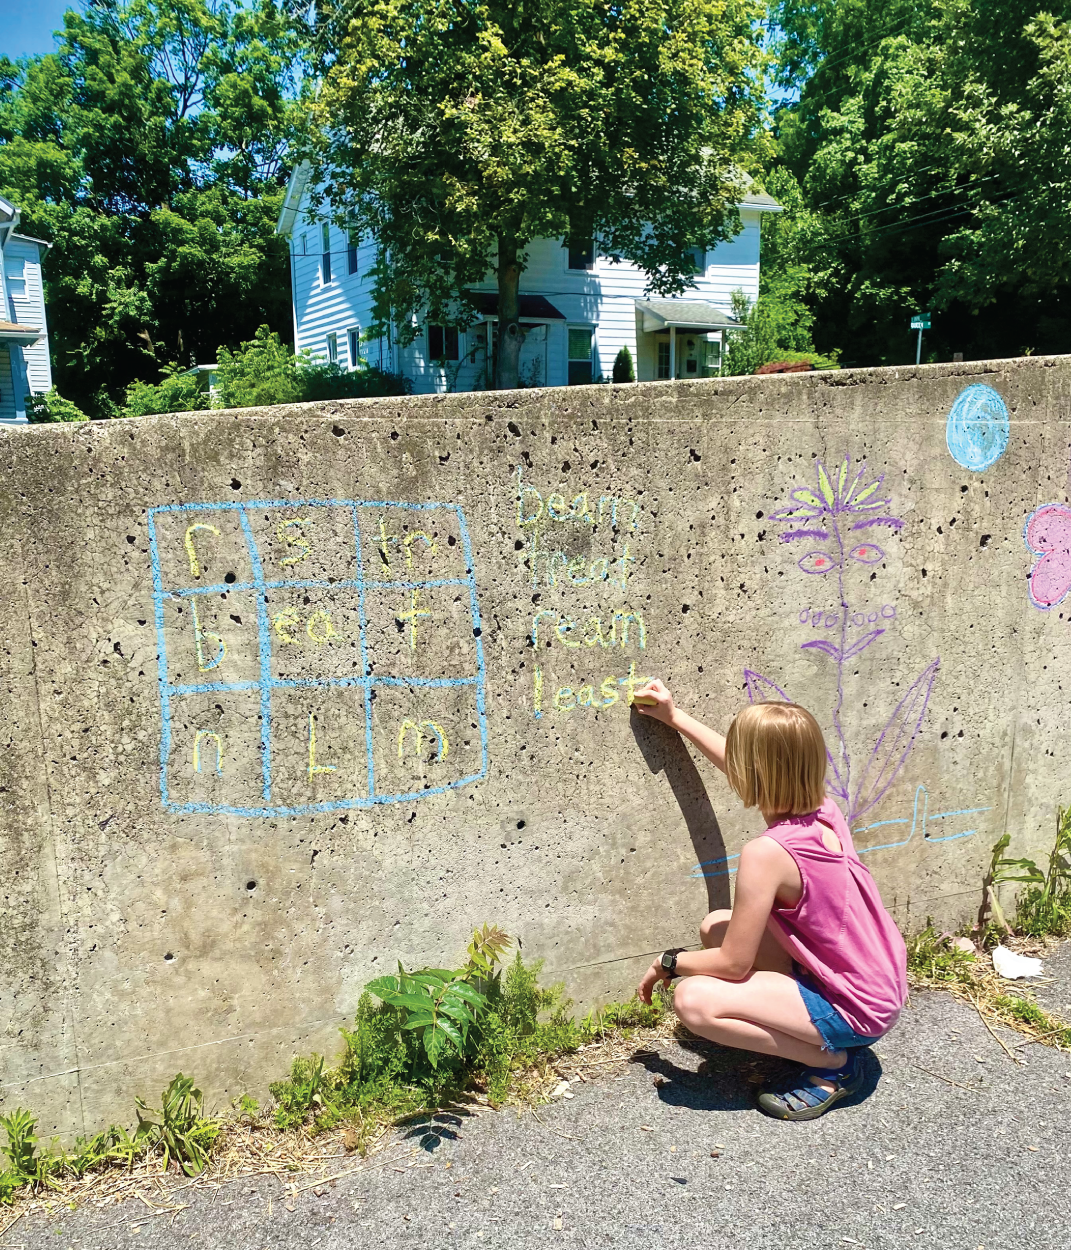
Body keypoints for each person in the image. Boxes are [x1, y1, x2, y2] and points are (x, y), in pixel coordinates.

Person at [633, 682, 907, 1121]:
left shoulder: (768, 853)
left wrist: (669, 961)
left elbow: (733, 966)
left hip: (856, 1007)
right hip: (879, 983)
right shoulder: (824, 810)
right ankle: (809, 1031)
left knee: (693, 1000)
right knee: (717, 925)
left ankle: (833, 1064)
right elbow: (744, 765)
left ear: (756, 773)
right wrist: (673, 717)